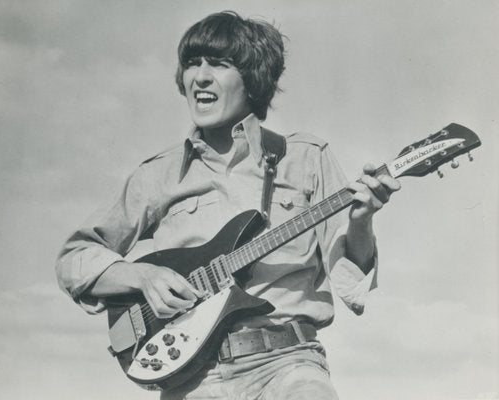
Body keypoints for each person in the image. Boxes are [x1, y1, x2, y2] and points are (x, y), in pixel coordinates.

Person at [56, 11, 400, 400]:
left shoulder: (307, 158)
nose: (200, 77)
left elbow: (351, 286)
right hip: (194, 377)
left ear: (253, 80)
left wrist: (361, 220)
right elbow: (75, 258)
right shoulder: (157, 175)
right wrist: (143, 278)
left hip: (288, 364)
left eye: (218, 64)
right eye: (191, 63)